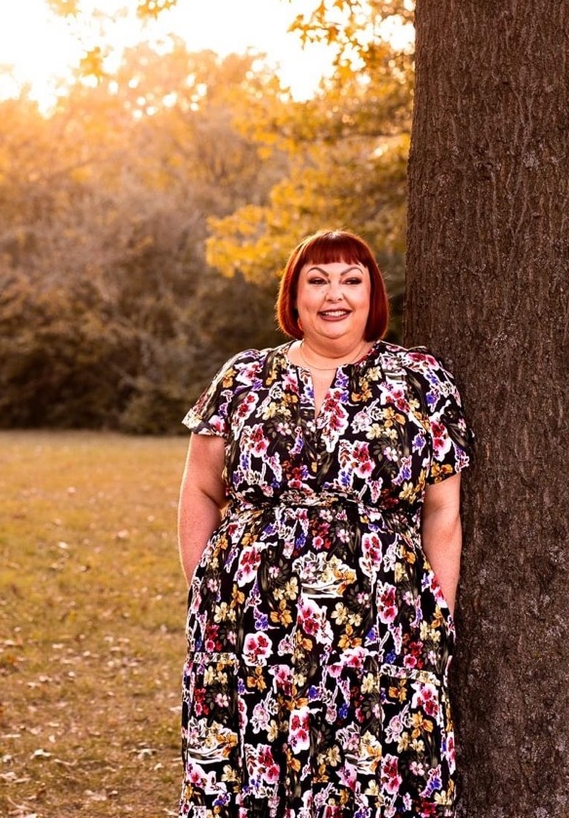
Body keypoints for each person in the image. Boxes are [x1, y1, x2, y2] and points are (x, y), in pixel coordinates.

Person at [177, 229, 472, 818]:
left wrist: (436, 616)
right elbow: (200, 490)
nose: (334, 294)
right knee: (258, 767)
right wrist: (208, 595)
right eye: (317, 280)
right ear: (295, 297)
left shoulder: (420, 380)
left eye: (351, 279)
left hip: (383, 627)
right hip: (249, 628)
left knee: (372, 772)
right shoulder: (241, 378)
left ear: (372, 296)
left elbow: (443, 510)